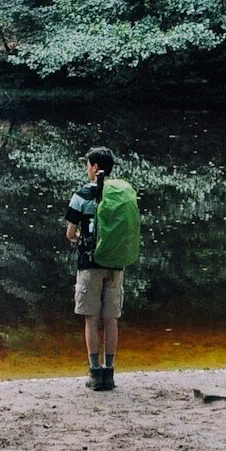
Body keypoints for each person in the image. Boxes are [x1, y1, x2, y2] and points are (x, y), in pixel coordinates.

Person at [64, 145, 140, 391]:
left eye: (88, 164)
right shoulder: (120, 195)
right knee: (111, 320)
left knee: (91, 318)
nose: (87, 168)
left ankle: (95, 374)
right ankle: (110, 373)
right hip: (116, 264)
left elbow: (70, 233)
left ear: (95, 167)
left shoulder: (82, 195)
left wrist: (81, 239)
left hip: (90, 265)